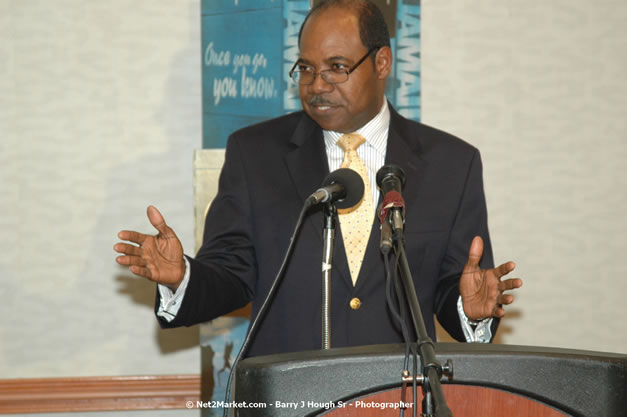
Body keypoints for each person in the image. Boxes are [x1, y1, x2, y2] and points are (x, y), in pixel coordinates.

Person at [114, 0, 522, 357]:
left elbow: (457, 287)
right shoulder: (255, 154)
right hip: (290, 399)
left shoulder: (450, 164)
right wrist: (184, 278)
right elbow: (231, 275)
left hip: (399, 398)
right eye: (306, 68)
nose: (316, 86)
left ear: (382, 63)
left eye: (336, 68)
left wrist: (469, 310)